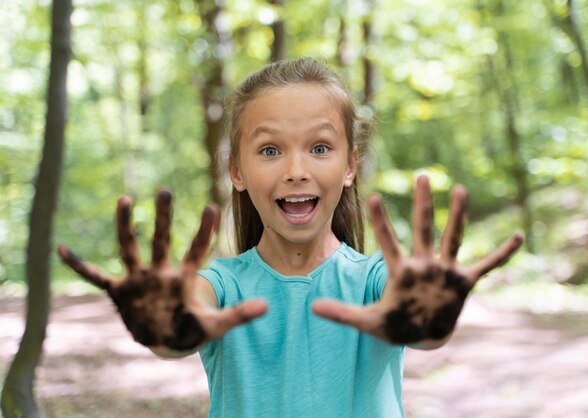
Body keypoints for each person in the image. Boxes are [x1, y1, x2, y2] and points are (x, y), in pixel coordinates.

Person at [58, 57, 524, 417]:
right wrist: (164, 324)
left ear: (350, 166)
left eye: (320, 148)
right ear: (236, 170)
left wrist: (429, 319)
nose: (296, 171)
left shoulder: (377, 280)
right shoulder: (221, 285)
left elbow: (417, 323)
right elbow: (181, 328)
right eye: (270, 150)